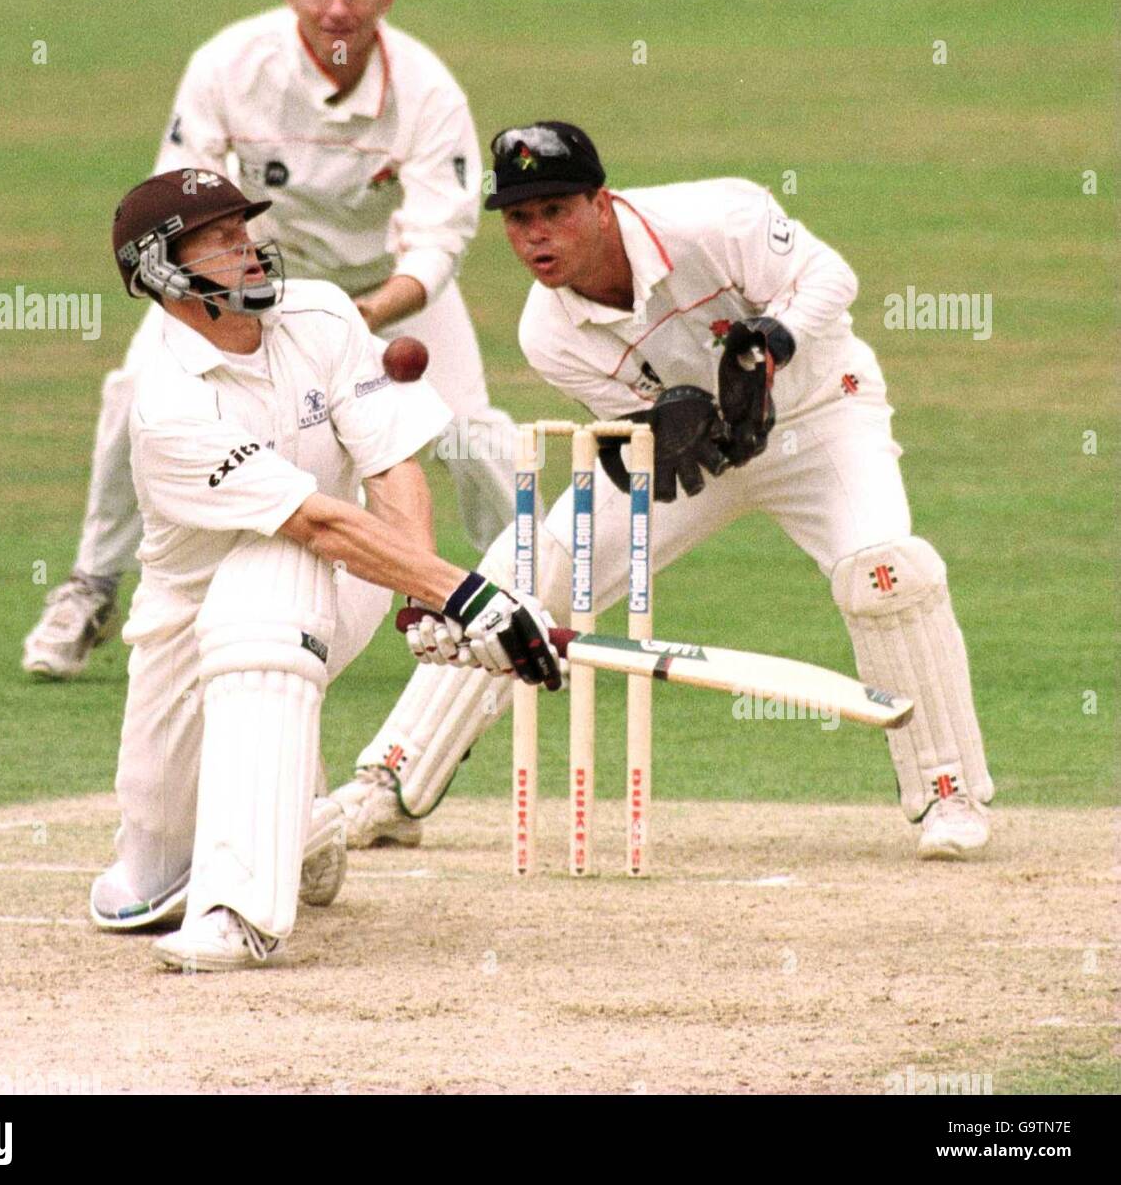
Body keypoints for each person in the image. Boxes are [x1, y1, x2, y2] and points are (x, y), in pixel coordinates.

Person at [332, 120, 994, 862]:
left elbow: (832, 277)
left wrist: (770, 343)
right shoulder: (547, 334)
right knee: (525, 572)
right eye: (520, 219)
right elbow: (643, 428)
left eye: (556, 211)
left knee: (887, 575)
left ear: (601, 202)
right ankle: (392, 780)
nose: (537, 236)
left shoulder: (717, 216)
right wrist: (661, 427)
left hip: (820, 419)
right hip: (701, 457)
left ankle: (949, 791)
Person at [23, 0, 516, 679]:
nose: (337, 7)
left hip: (385, 290)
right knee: (131, 396)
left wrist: (369, 314)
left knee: (473, 436)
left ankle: (512, 600)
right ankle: (90, 585)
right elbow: (177, 198)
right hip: (245, 281)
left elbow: (440, 235)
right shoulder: (228, 64)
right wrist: (220, 290)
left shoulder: (426, 91)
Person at [91, 168, 558, 971]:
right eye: (223, 241)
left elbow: (388, 461)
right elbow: (317, 514)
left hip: (333, 583)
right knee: (140, 888)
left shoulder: (323, 315)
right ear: (162, 270)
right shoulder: (168, 405)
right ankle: (298, 821)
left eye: (247, 231)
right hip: (182, 621)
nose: (251, 250)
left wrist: (425, 601)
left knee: (272, 576)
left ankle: (240, 910)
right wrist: (468, 594)